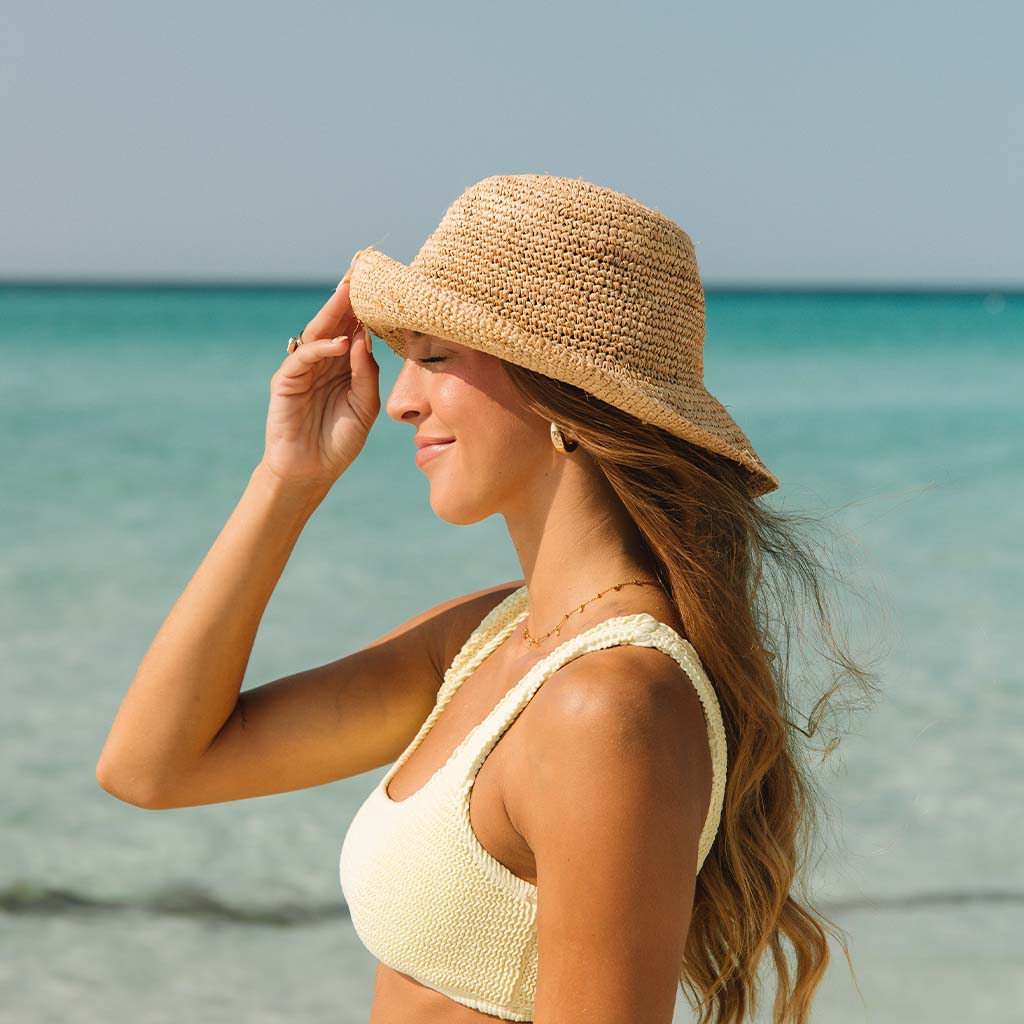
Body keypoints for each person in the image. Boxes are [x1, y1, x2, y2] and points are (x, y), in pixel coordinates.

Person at [97, 174, 878, 1024]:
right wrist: (286, 480)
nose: (397, 400)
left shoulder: (608, 703)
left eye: (435, 357)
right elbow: (154, 769)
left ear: (563, 391)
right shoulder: (491, 637)